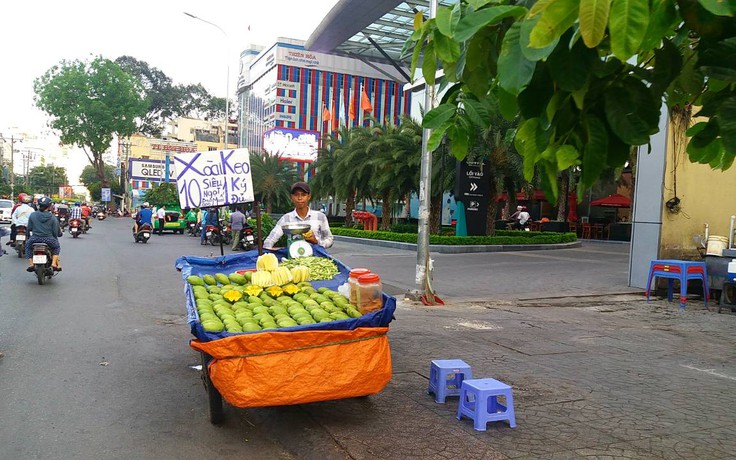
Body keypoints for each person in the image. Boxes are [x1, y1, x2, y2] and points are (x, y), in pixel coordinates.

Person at [263, 181, 333, 249]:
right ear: (292, 197)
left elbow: (329, 239)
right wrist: (268, 252)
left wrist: (316, 242)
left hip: (316, 258)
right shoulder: (286, 218)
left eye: (303, 195)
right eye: (296, 195)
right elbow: (270, 240)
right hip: (294, 258)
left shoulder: (320, 217)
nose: (300, 198)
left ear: (309, 196)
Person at [25, 196, 63, 272]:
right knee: (56, 247)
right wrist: (57, 236)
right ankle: (53, 264)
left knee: (27, 246)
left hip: (35, 239)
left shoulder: (33, 215)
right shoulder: (53, 217)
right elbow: (56, 231)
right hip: (49, 239)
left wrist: (28, 237)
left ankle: (31, 264)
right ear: (49, 206)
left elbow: (29, 228)